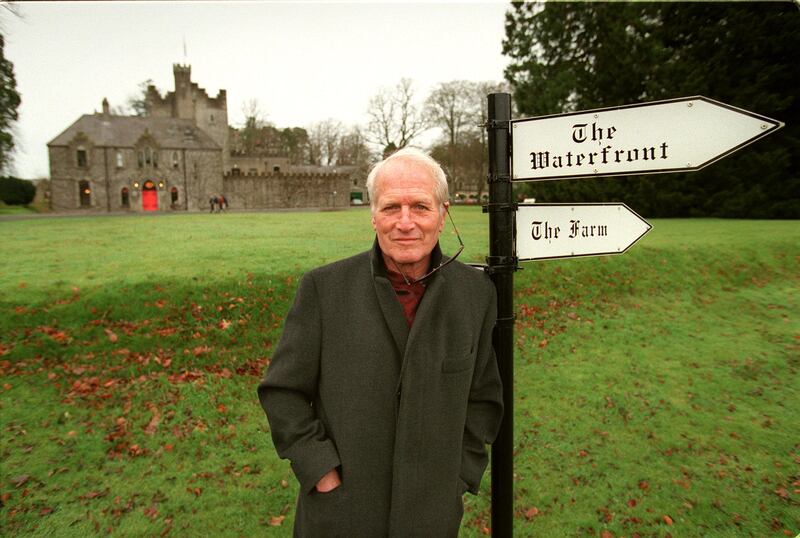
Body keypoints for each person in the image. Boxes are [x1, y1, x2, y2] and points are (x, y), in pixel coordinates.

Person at [257, 148, 503, 537]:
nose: (405, 222)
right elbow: (282, 392)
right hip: (342, 517)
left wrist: (458, 476)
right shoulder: (324, 290)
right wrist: (320, 469)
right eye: (391, 208)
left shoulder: (475, 294)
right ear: (373, 215)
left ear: (443, 214)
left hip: (432, 518)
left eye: (420, 206)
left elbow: (483, 398)